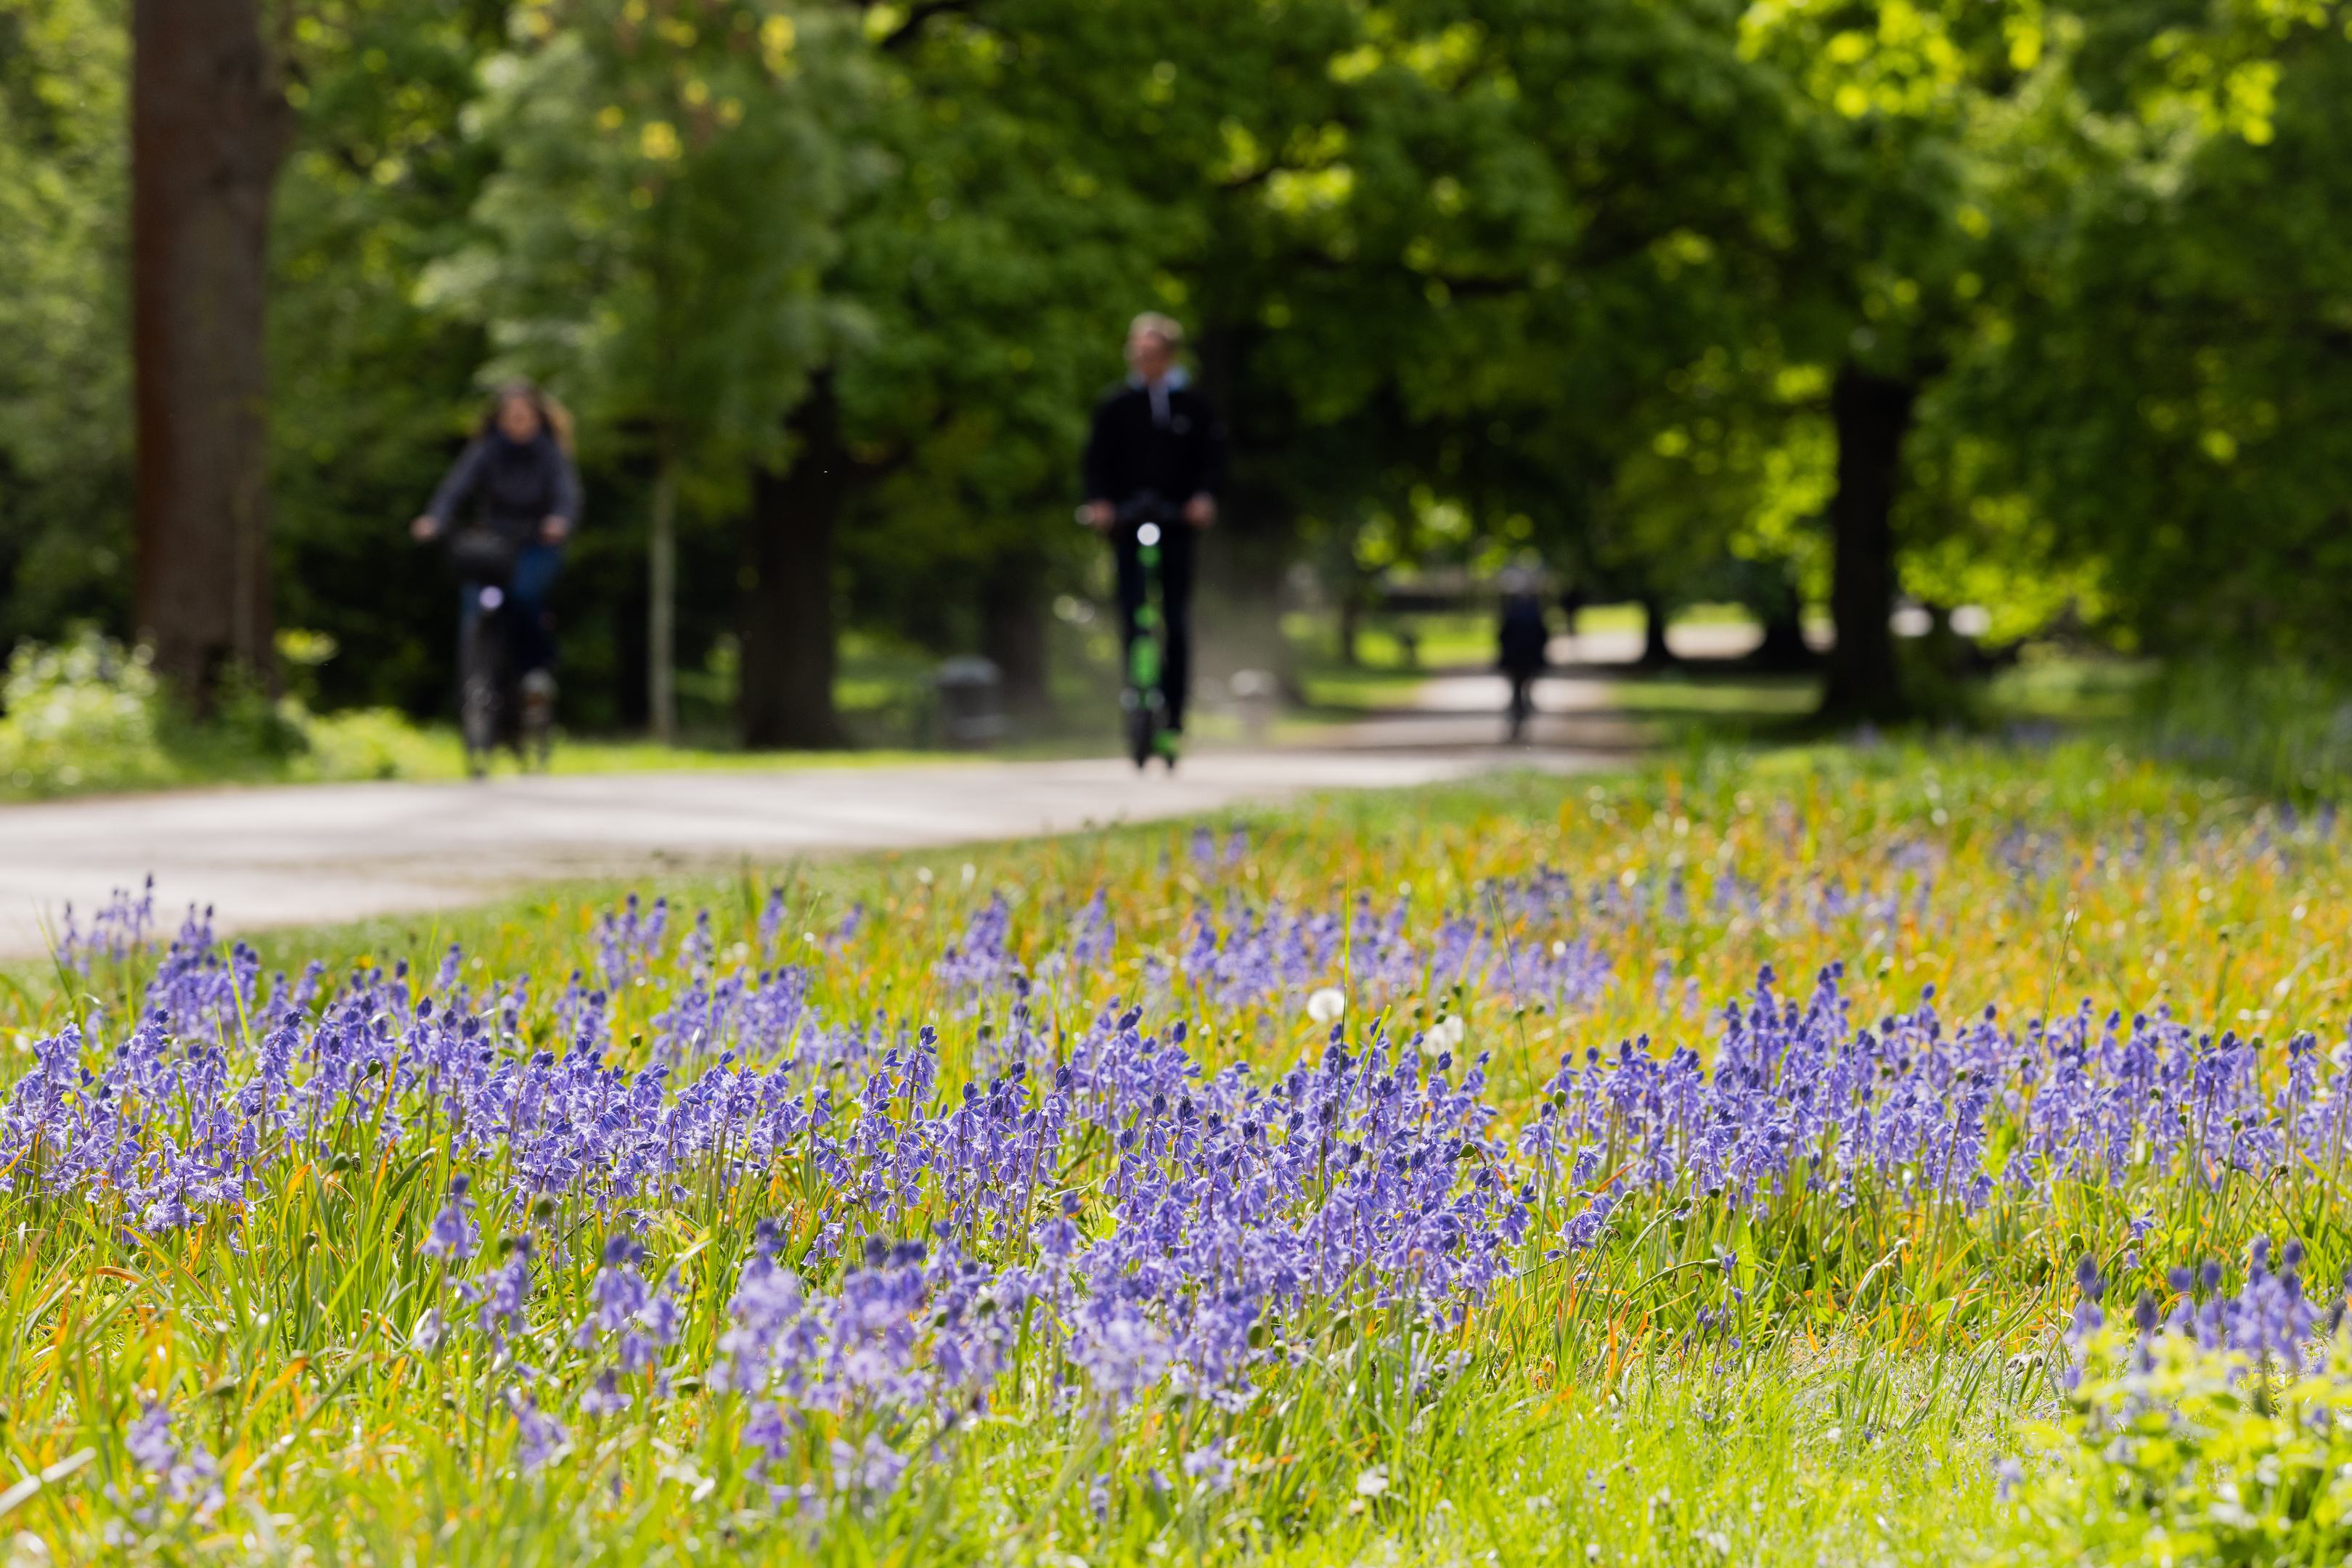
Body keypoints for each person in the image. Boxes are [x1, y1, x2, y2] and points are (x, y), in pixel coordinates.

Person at [1082, 313, 1227, 738]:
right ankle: (1137, 694)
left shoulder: (1194, 406)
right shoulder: (1115, 406)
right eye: (1138, 352)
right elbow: (1096, 462)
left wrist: (1203, 499)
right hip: (1128, 524)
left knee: (1175, 616)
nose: (1143, 360)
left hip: (1177, 524)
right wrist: (1100, 505)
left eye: (1152, 353)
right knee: (1131, 612)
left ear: (1168, 356)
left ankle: (1176, 706)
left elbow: (1213, 460)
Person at [411, 382, 580, 724]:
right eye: (511, 417)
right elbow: (455, 487)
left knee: (525, 596)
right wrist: (435, 519)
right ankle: (477, 677)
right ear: (499, 420)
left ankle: (535, 673)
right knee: (475, 602)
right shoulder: (486, 450)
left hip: (537, 543)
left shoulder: (550, 453)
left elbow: (568, 494)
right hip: (494, 545)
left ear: (537, 418)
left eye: (524, 417)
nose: (518, 423)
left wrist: (560, 520)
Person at [1498, 579, 1551, 742]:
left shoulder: (1510, 612)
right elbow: (1543, 635)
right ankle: (1523, 713)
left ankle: (1517, 719)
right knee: (1525, 687)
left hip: (1514, 659)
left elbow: (1502, 636)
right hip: (1530, 658)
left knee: (1516, 690)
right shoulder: (1535, 612)